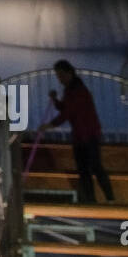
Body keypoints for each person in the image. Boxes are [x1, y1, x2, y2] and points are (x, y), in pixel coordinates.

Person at [37, 60, 114, 203]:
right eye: (58, 76)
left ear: (69, 73)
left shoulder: (78, 90)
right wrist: (55, 100)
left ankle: (110, 199)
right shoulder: (69, 90)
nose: (59, 79)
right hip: (79, 137)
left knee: (95, 167)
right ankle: (91, 201)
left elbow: (67, 113)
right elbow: (65, 108)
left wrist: (48, 126)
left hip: (89, 135)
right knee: (84, 171)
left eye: (61, 75)